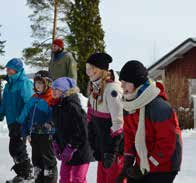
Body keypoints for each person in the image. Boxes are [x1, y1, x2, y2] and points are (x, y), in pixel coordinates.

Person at [117, 60, 182, 183]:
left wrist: (147, 166)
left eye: (125, 82)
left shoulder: (159, 107)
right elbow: (129, 136)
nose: (122, 86)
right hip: (144, 160)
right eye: (121, 82)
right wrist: (127, 162)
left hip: (165, 163)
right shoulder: (129, 105)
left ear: (136, 82)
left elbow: (167, 144)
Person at [86, 53, 125, 183]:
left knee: (114, 179)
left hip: (113, 150)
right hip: (102, 147)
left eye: (90, 68)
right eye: (87, 68)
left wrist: (112, 151)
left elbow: (118, 122)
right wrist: (93, 142)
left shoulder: (112, 89)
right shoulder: (94, 88)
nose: (88, 72)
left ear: (100, 69)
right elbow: (91, 117)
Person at [18, 70, 57, 183]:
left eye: (41, 83)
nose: (37, 85)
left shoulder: (52, 99)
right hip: (34, 136)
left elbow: (57, 119)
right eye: (36, 83)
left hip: (47, 137)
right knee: (37, 162)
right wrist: (25, 133)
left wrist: (52, 130)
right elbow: (24, 118)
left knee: (48, 162)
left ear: (48, 84)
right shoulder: (33, 98)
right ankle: (38, 180)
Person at [51, 77, 93, 183]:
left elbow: (82, 131)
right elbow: (57, 128)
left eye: (57, 88)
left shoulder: (73, 106)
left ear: (65, 90)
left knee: (77, 179)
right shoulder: (57, 106)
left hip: (80, 151)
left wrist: (71, 147)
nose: (54, 91)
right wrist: (56, 143)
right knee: (64, 178)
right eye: (53, 89)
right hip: (66, 150)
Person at [0, 58, 34, 182]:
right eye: (7, 68)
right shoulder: (9, 84)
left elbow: (29, 103)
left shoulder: (24, 83)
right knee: (15, 148)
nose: (7, 70)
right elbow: (5, 103)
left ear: (17, 69)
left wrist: (21, 120)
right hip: (11, 122)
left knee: (17, 148)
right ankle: (23, 173)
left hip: (21, 122)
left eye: (10, 68)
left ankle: (27, 174)